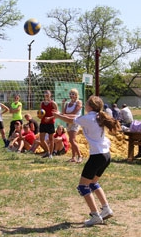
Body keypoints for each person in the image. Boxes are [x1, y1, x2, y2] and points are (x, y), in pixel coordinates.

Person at [53, 95, 120, 226]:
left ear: (91, 106)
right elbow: (73, 118)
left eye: (87, 103)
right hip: (106, 155)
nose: (85, 105)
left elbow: (69, 120)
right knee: (93, 183)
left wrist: (57, 116)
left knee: (83, 186)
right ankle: (106, 209)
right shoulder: (97, 116)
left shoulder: (88, 118)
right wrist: (61, 114)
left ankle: (95, 215)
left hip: (97, 156)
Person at [62, 88, 83, 163]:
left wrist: (65, 116)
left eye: (73, 94)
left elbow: (74, 113)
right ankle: (73, 157)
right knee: (72, 140)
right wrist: (63, 104)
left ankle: (80, 156)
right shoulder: (68, 103)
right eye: (70, 94)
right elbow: (63, 112)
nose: (71, 95)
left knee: (72, 140)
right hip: (68, 122)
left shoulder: (78, 102)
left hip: (75, 122)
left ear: (76, 95)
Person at [39, 90, 58, 159]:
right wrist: (40, 116)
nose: (46, 95)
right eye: (45, 93)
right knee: (41, 139)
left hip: (50, 123)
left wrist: (50, 118)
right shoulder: (42, 103)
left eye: (47, 93)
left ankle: (50, 154)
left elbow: (57, 114)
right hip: (43, 122)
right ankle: (47, 151)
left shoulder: (53, 103)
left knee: (51, 139)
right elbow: (40, 113)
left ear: (50, 95)